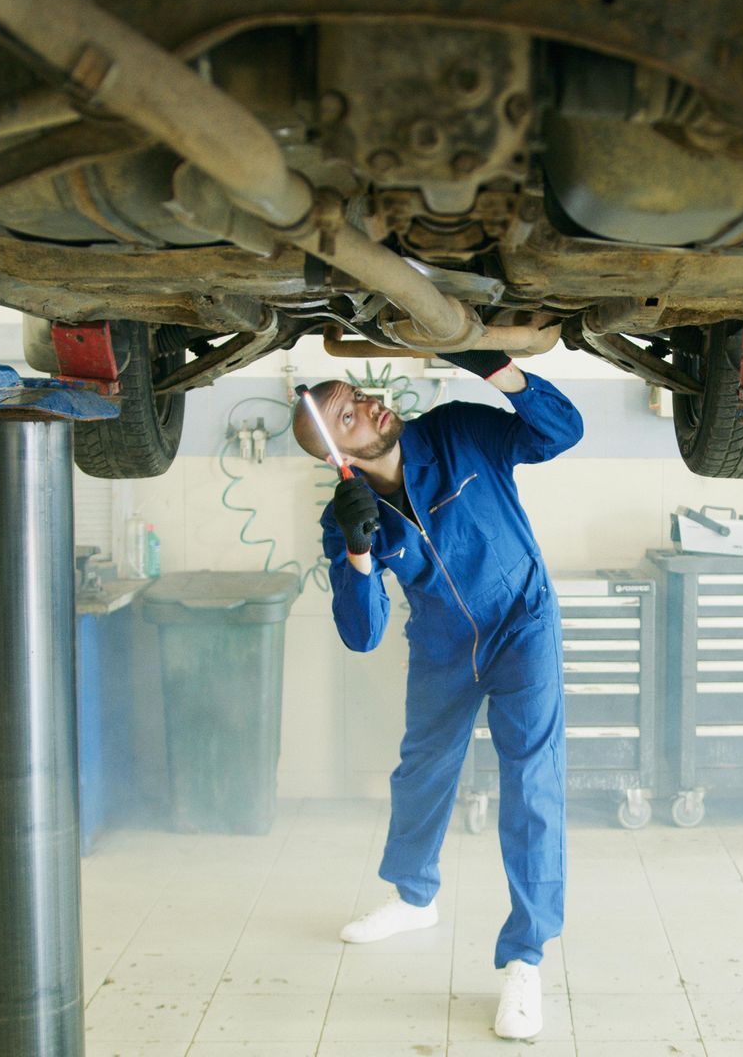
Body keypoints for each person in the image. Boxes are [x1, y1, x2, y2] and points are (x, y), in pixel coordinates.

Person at [290, 347, 582, 1040]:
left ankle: (525, 959)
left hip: (522, 624)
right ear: (335, 450)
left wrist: (500, 370)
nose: (368, 402)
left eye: (360, 393)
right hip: (444, 645)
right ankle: (414, 897)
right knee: (421, 770)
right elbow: (362, 634)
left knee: (531, 779)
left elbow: (561, 432)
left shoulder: (455, 430)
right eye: (347, 413)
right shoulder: (347, 514)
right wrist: (359, 552)